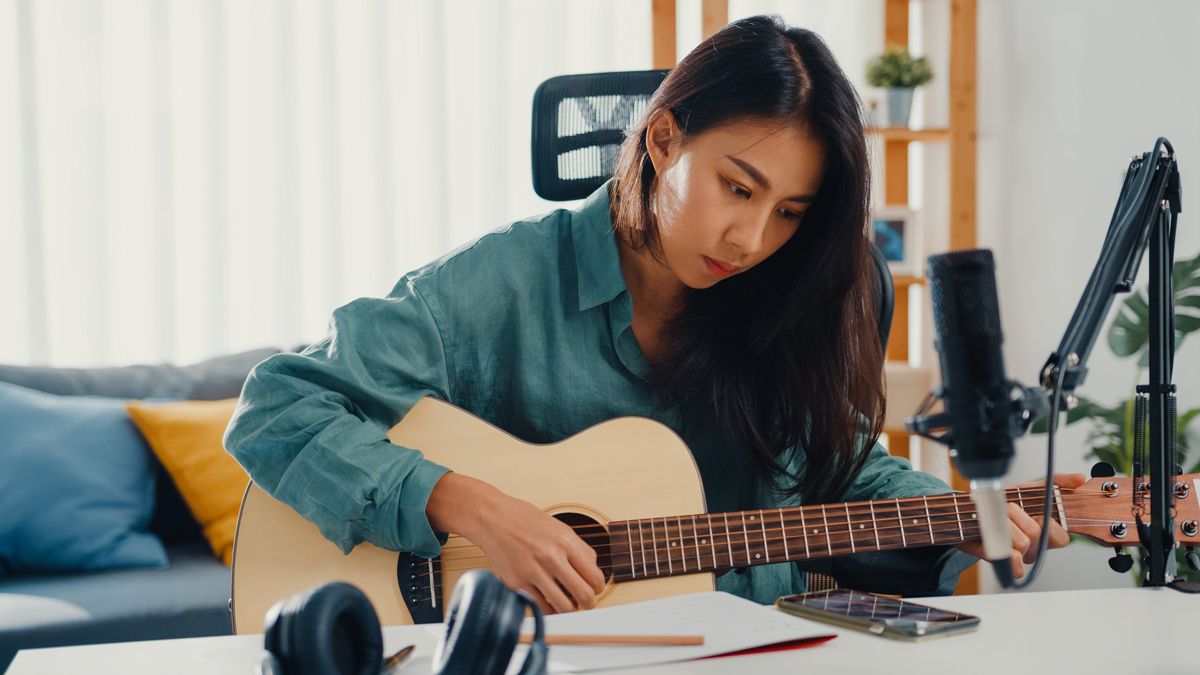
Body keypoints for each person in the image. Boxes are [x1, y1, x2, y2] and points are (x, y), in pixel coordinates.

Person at [225, 15, 1078, 614]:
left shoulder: (787, 299)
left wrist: (968, 516)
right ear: (664, 140)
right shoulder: (504, 281)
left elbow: (838, 473)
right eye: (737, 187)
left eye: (789, 212)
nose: (750, 237)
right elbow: (275, 406)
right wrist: (467, 505)